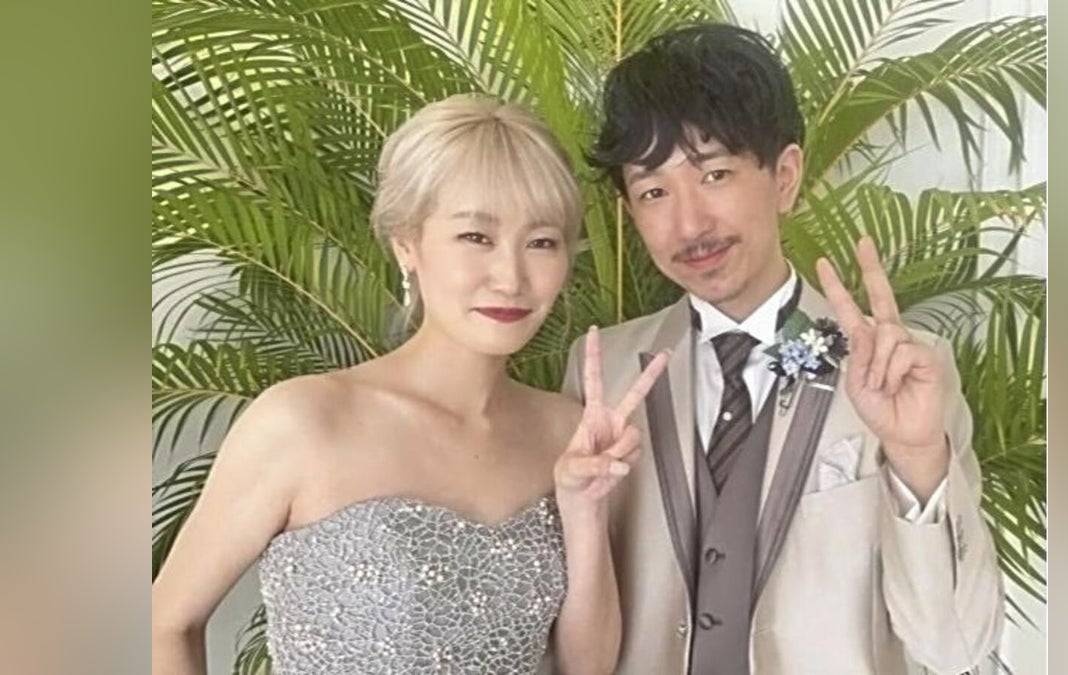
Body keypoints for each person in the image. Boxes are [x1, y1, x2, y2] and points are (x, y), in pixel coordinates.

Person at [151, 94, 667, 675]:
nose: (511, 276)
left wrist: (583, 511)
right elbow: (165, 624)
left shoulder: (567, 430)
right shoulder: (304, 421)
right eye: (476, 237)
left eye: (541, 242)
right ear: (406, 243)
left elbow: (586, 668)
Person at [563, 24, 1005, 674]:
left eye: (715, 173)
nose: (689, 224)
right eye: (654, 190)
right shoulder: (603, 370)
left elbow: (955, 648)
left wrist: (917, 457)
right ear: (630, 209)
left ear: (785, 177)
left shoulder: (902, 372)